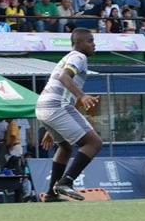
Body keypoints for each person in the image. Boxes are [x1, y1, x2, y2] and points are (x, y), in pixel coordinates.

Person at [36, 27, 102, 201]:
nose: (94, 45)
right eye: (90, 41)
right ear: (78, 43)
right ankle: (66, 182)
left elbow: (64, 89)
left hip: (44, 106)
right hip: (56, 106)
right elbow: (64, 78)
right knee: (93, 143)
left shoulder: (68, 57)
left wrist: (51, 129)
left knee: (65, 147)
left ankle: (51, 193)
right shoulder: (79, 57)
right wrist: (83, 95)